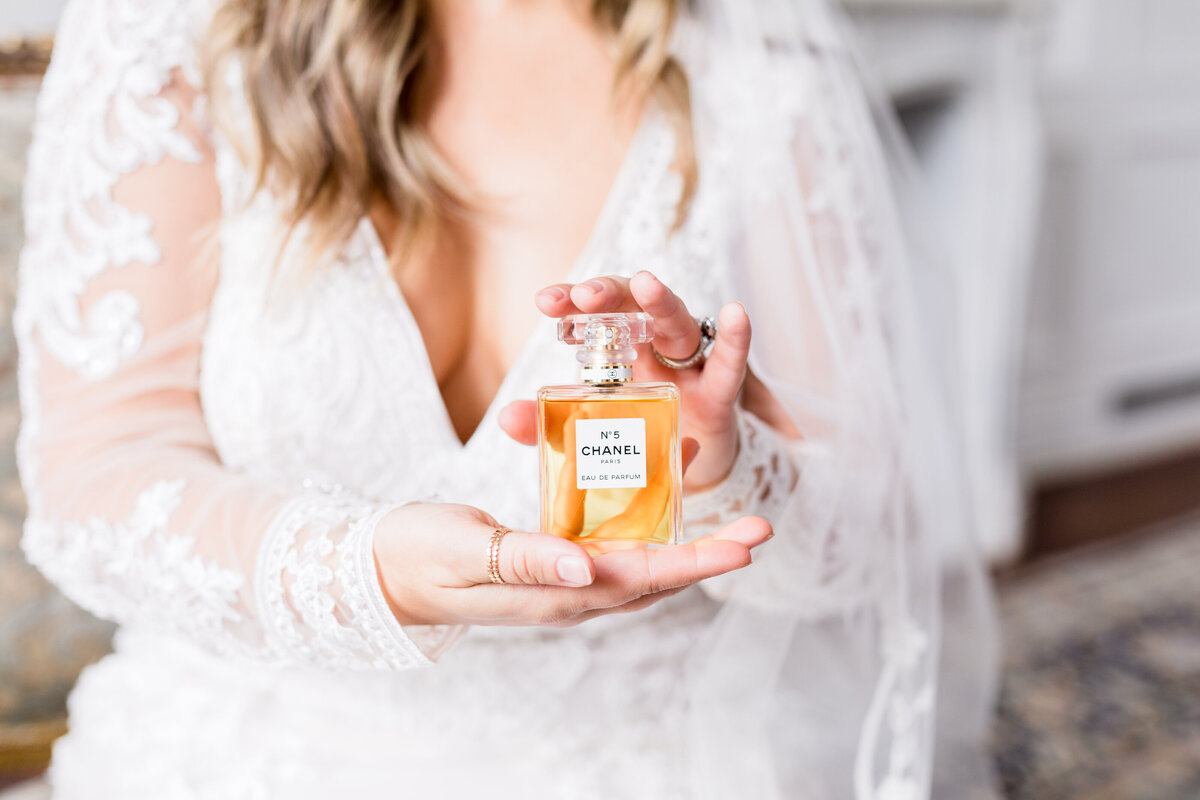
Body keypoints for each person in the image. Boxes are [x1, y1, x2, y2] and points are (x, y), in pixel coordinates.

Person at [15, 0, 998, 797]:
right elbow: (95, 474)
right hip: (241, 756)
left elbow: (871, 541)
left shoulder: (761, 76)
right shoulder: (174, 32)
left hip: (666, 753)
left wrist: (731, 468)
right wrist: (366, 571)